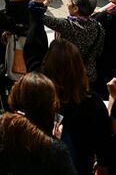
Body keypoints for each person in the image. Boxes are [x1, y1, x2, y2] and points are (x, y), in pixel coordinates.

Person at [41, 40, 111, 175]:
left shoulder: (40, 97)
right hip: (81, 166)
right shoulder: (93, 102)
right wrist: (102, 163)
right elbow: (104, 142)